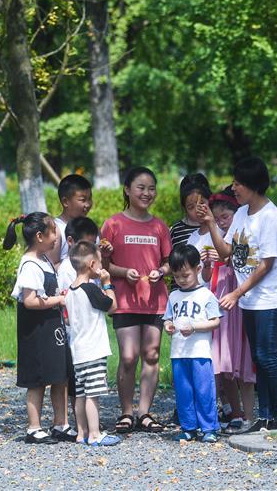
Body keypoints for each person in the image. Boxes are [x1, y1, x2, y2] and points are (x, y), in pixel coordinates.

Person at [197, 156, 277, 433]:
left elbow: (267, 264)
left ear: (252, 185)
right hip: (249, 299)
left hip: (269, 298)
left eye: (238, 183)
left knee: (266, 356)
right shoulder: (241, 213)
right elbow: (226, 253)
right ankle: (264, 417)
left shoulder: (270, 217)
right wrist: (211, 223)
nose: (233, 188)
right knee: (258, 358)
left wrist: (236, 293)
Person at [100, 166, 173, 434]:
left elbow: (169, 263)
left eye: (151, 188)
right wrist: (122, 272)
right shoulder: (113, 224)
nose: (146, 193)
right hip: (124, 300)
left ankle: (144, 413)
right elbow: (101, 265)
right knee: (129, 357)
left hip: (155, 300)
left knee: (151, 355)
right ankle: (126, 412)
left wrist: (161, 272)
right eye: (140, 187)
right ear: (127, 190)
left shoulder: (159, 226)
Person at [188, 187, 255, 432]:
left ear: (236, 215)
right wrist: (207, 264)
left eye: (226, 217)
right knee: (222, 362)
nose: (222, 222)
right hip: (220, 303)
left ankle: (248, 416)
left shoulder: (243, 234)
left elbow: (241, 261)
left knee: (242, 363)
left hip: (239, 302)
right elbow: (207, 275)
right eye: (218, 219)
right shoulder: (214, 240)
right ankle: (224, 414)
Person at [4, 212, 72, 444]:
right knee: (37, 380)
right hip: (36, 330)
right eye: (53, 231)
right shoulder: (30, 263)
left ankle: (60, 423)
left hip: (52, 327)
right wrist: (59, 300)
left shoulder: (44, 260)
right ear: (40, 236)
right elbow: (31, 300)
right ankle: (34, 427)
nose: (57, 236)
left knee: (59, 375)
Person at [163, 245, 222, 443]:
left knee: (204, 390)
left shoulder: (206, 295)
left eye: (185, 275)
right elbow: (168, 319)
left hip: (200, 352)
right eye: (177, 277)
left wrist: (195, 327)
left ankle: (209, 428)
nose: (181, 280)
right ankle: (188, 427)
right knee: (183, 391)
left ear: (198, 269)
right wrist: (168, 325)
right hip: (179, 353)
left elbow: (216, 321)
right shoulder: (173, 296)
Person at [65, 241, 120, 446]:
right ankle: (95, 434)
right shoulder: (91, 288)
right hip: (93, 351)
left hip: (77, 352)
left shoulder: (70, 291)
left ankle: (82, 433)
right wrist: (107, 283)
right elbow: (112, 306)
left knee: (80, 394)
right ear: (92, 264)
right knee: (93, 395)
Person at [50, 173, 94, 268]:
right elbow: (52, 266)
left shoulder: (92, 227)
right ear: (65, 202)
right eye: (83, 200)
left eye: (90, 198)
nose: (88, 204)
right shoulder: (56, 230)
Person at [169, 173, 211, 250]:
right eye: (191, 207)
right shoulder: (176, 231)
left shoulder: (221, 224)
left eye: (201, 203)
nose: (197, 209)